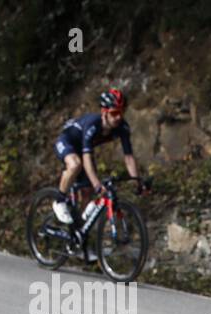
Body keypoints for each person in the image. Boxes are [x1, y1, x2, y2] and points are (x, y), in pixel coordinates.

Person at [52, 89, 143, 225]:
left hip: (82, 150)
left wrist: (136, 180)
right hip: (67, 141)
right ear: (104, 112)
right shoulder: (93, 124)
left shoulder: (122, 127)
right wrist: (97, 186)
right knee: (75, 164)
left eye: (122, 112)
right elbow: (87, 158)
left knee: (87, 192)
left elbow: (128, 157)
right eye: (114, 113)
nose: (119, 117)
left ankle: (80, 230)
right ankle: (59, 200)